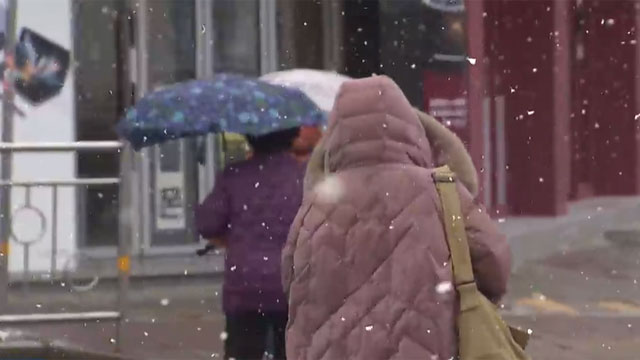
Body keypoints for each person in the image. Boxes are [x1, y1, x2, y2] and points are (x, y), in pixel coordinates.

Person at [282, 76, 510, 360]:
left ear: (338, 136)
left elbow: (291, 280)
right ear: (410, 129)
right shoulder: (443, 191)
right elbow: (494, 262)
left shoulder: (316, 204)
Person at [196, 127, 304, 360]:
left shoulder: (234, 175)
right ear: (292, 137)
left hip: (245, 286)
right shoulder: (304, 177)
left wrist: (231, 236)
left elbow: (206, 223)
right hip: (293, 284)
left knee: (243, 351)